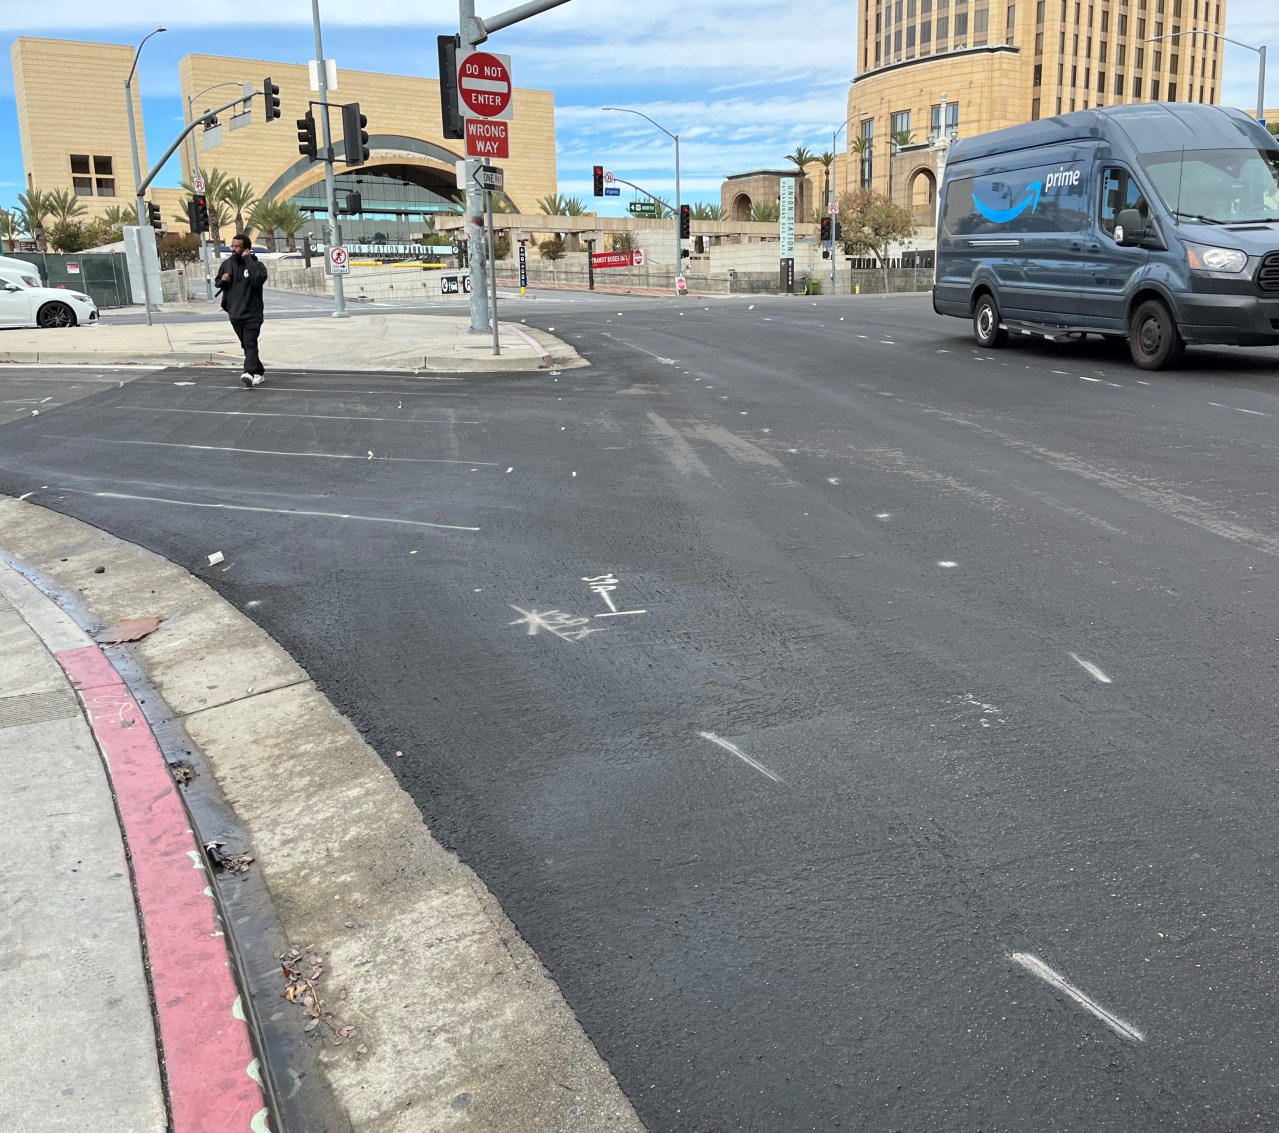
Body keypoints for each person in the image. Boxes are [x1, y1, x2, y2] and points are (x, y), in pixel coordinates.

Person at [216, 233, 268, 387]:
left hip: (253, 314)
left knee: (250, 343)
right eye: (233, 246)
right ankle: (259, 371)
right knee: (246, 345)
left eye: (238, 247)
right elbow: (217, 283)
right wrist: (222, 280)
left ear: (246, 249)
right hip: (234, 313)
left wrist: (248, 260)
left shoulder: (257, 266)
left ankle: (249, 373)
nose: (234, 249)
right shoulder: (227, 264)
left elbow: (257, 280)